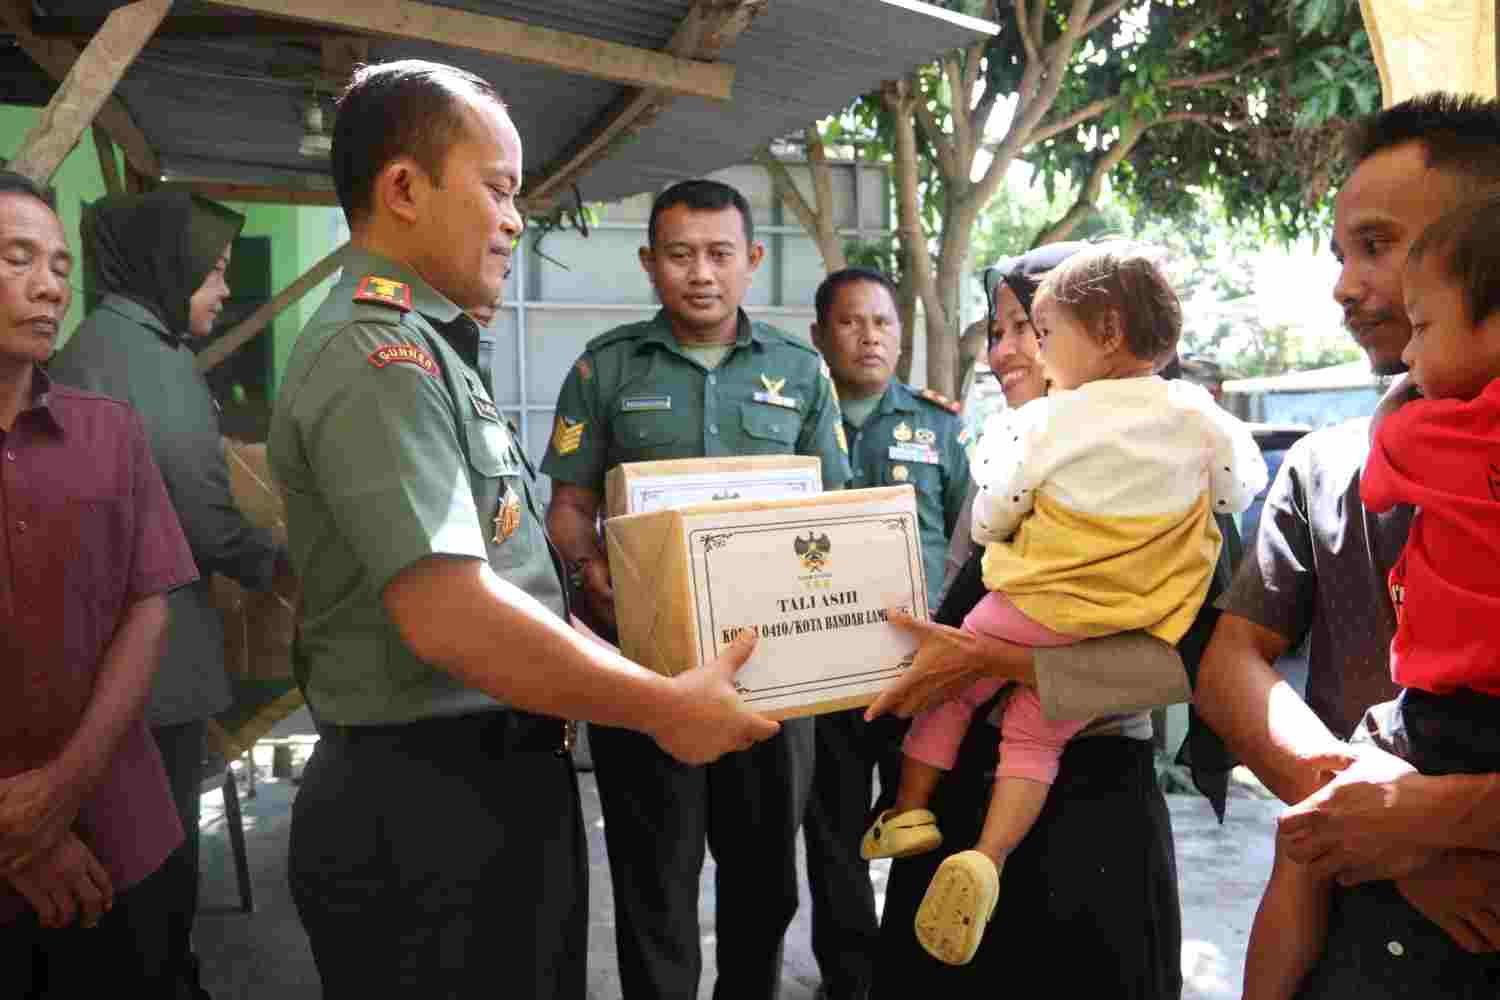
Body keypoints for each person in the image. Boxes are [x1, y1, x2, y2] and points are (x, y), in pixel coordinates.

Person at [266, 61, 778, 998]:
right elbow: (451, 611)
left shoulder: (432, 350)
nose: (516, 219)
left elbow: (519, 584)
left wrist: (656, 677)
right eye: (498, 190)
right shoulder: (377, 354)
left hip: (492, 796)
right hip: (428, 814)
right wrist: (666, 709)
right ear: (405, 189)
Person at [863, 244, 1264, 966]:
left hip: (1090, 810)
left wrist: (1003, 661)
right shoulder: (1003, 452)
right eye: (999, 330)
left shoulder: (1183, 483)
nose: (1007, 352)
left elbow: (1187, 667)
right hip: (955, 795)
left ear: (1103, 333)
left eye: (1029, 328)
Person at [1195, 92, 1500, 999]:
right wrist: (1368, 828)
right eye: (1341, 254)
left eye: (1377, 245)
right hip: (1357, 939)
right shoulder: (1329, 464)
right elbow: (1228, 666)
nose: (1342, 284)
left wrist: (1442, 817)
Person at [542, 178, 850, 1000]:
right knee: (655, 882)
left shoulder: (801, 373)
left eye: (719, 254)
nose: (701, 273)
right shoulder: (604, 369)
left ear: (752, 262)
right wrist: (590, 577)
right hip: (647, 671)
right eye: (680, 255)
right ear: (651, 263)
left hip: (772, 683)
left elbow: (838, 514)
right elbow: (569, 508)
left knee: (764, 885)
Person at [49, 189, 291, 999]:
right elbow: (201, 517)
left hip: (80, 663)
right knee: (157, 865)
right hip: (154, 672)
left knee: (101, 863)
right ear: (170, 268)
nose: (224, 292)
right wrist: (281, 563)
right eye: (214, 273)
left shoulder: (85, 345)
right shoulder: (155, 366)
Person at [0, 170, 198, 995]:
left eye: (60, 264)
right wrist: (24, 834)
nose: (49, 284)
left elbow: (147, 608)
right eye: (18, 259)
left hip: (120, 832)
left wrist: (64, 787)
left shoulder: (109, 435)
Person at [801, 267, 970, 1000]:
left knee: (920, 822)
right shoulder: (797, 420)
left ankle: (911, 975)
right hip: (825, 671)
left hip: (921, 672)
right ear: (819, 335)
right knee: (834, 835)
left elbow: (973, 544)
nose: (870, 336)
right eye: (850, 322)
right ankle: (849, 980)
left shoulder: (940, 426)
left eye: (884, 323)